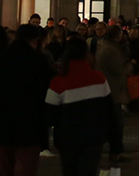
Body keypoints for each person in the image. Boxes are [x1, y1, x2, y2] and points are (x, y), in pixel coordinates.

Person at [0, 24, 54, 176]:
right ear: (35, 40)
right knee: (25, 167)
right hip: (29, 125)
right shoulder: (38, 60)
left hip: (2, 124)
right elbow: (45, 92)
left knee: (3, 168)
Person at [46, 37, 113, 176]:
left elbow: (49, 114)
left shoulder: (58, 82)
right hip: (93, 137)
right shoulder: (99, 78)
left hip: (67, 139)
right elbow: (110, 110)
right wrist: (115, 142)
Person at [95, 25, 131, 164]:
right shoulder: (110, 51)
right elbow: (119, 69)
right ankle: (115, 152)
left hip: (110, 89)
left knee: (114, 123)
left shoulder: (106, 47)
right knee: (116, 124)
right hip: (112, 90)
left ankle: (114, 150)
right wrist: (129, 65)